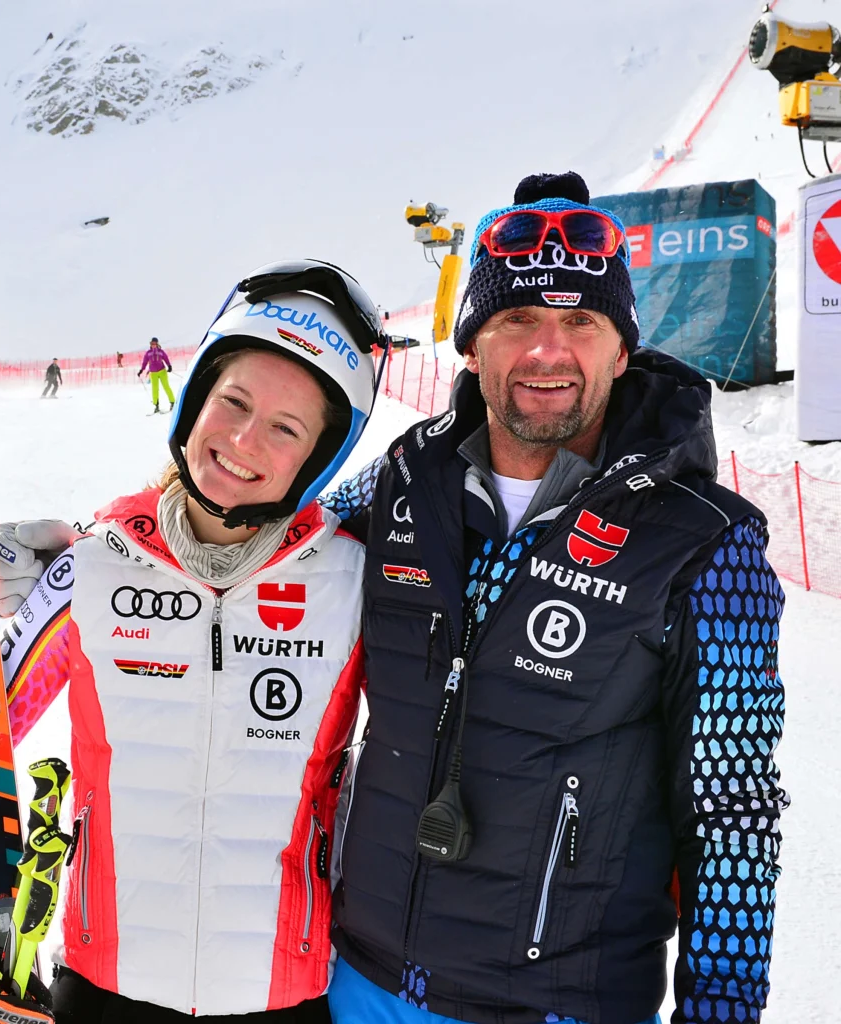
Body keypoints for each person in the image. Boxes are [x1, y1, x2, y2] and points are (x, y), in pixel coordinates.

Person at [319, 173, 788, 1024]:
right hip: (358, 980)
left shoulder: (710, 546)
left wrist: (720, 1011)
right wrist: (108, 541)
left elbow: (733, 810)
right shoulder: (400, 480)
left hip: (560, 1004)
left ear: (621, 348)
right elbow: (259, 543)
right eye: (517, 321)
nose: (547, 350)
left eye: (580, 321)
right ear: (471, 346)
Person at [0, 260, 387, 1024]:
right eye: (232, 401)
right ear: (192, 402)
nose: (242, 439)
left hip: (285, 1002)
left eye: (286, 428)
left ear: (317, 458)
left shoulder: (357, 585)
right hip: (103, 994)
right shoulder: (92, 569)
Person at [139, 337, 176, 412]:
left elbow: (166, 358)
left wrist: (169, 366)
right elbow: (144, 362)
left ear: (157, 344)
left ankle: (172, 402)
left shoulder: (161, 351)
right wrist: (141, 370)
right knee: (155, 389)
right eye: (152, 343)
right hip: (153, 373)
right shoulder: (148, 353)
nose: (153, 345)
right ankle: (156, 405)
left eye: (154, 343)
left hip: (162, 371)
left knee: (166, 386)